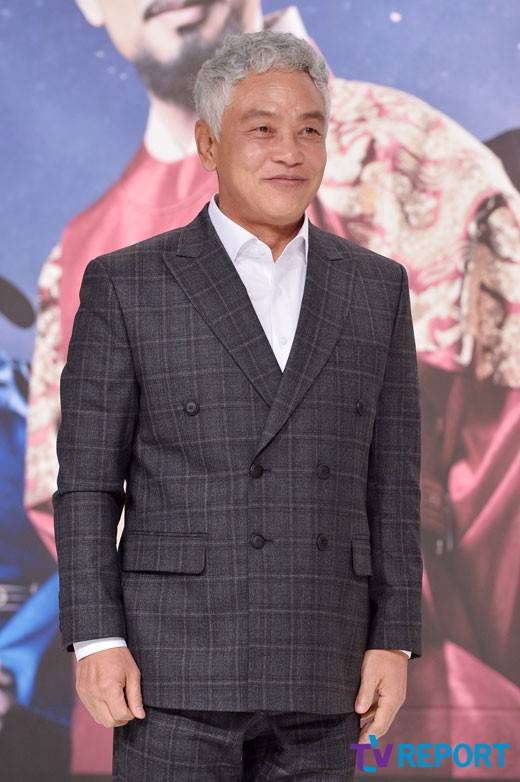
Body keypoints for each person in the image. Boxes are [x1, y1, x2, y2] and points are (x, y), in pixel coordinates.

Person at [26, 0, 520, 775]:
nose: (288, 152)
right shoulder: (93, 264)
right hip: (161, 677)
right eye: (260, 129)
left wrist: (396, 641)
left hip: (362, 688)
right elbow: (83, 486)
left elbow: (429, 484)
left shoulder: (420, 173)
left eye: (307, 130)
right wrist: (96, 637)